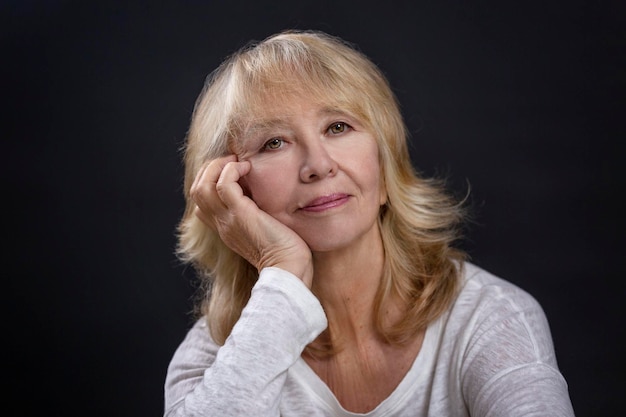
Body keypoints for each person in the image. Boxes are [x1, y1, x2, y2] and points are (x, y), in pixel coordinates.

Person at [164, 30, 575, 416]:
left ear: (385, 166)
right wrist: (282, 270)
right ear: (228, 192)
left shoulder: (490, 317)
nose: (319, 165)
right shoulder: (213, 358)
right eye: (274, 142)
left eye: (338, 126)